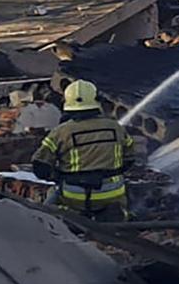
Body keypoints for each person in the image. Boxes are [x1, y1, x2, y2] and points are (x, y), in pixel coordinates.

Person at [32, 80, 139, 221]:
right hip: (111, 192)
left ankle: (67, 216)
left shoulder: (60, 132)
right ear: (96, 100)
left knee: (52, 202)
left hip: (74, 193)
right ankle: (120, 215)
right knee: (123, 199)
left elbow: (40, 166)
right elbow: (130, 158)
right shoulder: (116, 127)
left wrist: (57, 176)